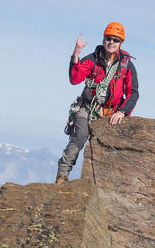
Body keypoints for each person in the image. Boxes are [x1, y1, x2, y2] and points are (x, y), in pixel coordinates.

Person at [56, 22, 139, 183]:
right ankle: (62, 175)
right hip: (88, 108)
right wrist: (76, 54)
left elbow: (133, 92)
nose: (112, 43)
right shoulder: (93, 59)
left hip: (112, 112)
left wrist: (122, 111)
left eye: (116, 40)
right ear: (103, 39)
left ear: (121, 43)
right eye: (109, 39)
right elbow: (75, 79)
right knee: (79, 137)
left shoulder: (127, 65)